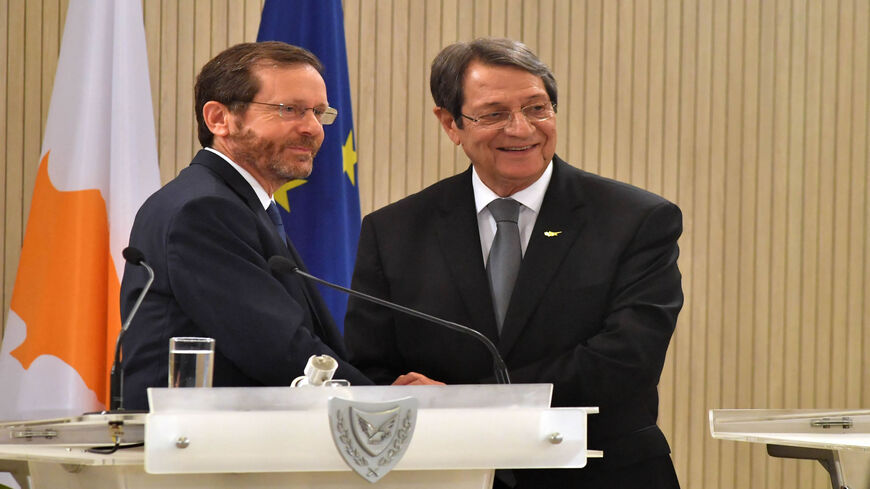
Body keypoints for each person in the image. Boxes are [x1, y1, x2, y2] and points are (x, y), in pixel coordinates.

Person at [344, 38, 683, 488]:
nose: (521, 129)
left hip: (600, 472)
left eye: (537, 108)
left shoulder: (636, 219)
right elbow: (372, 369)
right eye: (494, 113)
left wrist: (467, 402)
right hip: (446, 473)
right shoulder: (394, 231)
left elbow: (626, 360)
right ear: (450, 123)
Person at [119, 42, 372, 410]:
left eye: (319, 112)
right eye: (291, 110)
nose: (313, 129)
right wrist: (387, 402)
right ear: (219, 119)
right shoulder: (204, 210)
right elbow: (278, 350)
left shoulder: (237, 204)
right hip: (201, 453)